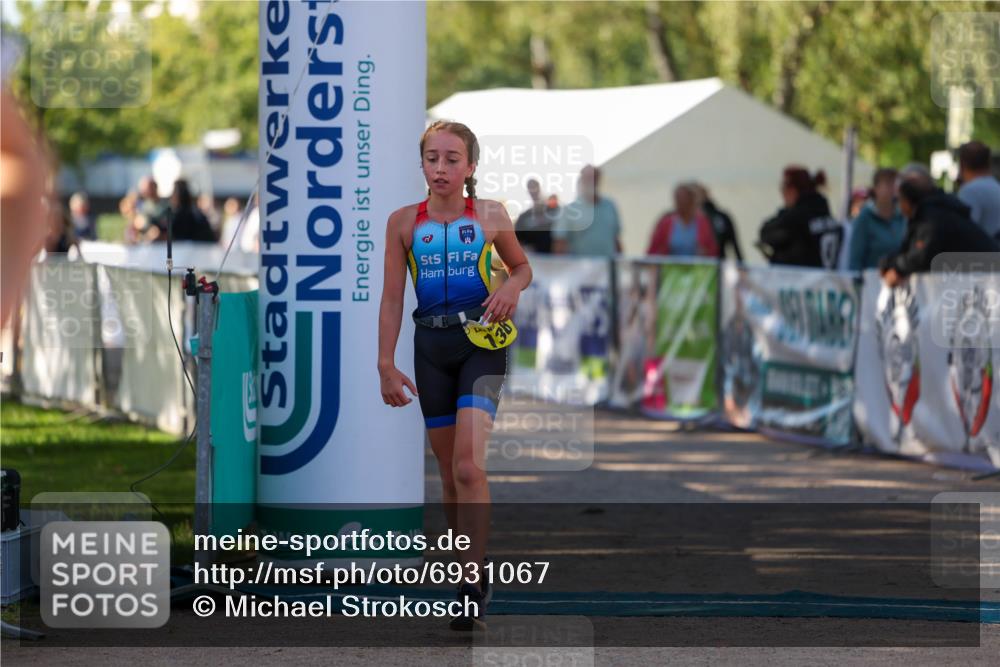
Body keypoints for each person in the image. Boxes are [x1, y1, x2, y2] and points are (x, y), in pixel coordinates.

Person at [377, 120, 532, 631]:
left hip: (481, 345)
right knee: (447, 475)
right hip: (430, 347)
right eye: (432, 158)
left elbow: (522, 268)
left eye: (451, 159)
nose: (440, 168)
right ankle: (468, 573)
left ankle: (472, 582)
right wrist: (385, 363)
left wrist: (511, 289)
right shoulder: (403, 222)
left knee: (468, 466)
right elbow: (394, 298)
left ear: (470, 167)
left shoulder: (490, 215)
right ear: (421, 163)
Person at [880, 173, 1000, 286]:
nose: (898, 206)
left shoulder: (933, 217)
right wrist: (889, 263)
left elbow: (921, 256)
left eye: (897, 200)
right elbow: (910, 250)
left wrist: (898, 268)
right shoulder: (929, 213)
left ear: (907, 199)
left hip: (989, 278)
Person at [758, 166, 841, 268]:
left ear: (792, 190)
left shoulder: (797, 217)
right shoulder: (824, 212)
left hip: (801, 281)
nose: (782, 193)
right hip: (827, 279)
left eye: (783, 188)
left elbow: (766, 233)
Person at [552, 165, 622, 257]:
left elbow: (615, 239)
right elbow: (560, 243)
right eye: (588, 178)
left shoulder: (610, 205)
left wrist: (620, 263)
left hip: (607, 267)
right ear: (581, 180)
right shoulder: (569, 210)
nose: (592, 182)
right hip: (580, 269)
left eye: (594, 178)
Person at [847, 168, 906, 271]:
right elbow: (855, 258)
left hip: (900, 282)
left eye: (895, 184)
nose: (893, 189)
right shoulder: (864, 218)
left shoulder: (903, 217)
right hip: (871, 282)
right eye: (888, 184)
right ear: (876, 188)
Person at [647, 183, 719, 257]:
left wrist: (705, 253)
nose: (681, 204)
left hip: (696, 267)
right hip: (670, 266)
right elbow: (653, 248)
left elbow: (712, 248)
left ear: (691, 201)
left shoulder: (703, 223)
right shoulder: (666, 223)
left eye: (684, 200)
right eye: (678, 200)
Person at [957, 140, 1000, 240]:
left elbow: (966, 233)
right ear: (988, 161)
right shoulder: (996, 187)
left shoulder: (970, 191)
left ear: (962, 164)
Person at [693, 183, 743, 261]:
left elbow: (734, 243)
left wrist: (741, 265)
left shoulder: (721, 217)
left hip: (717, 263)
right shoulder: (676, 219)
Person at [514, 178, 555, 253]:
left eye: (535, 187)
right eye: (531, 188)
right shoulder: (524, 217)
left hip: (556, 258)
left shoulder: (555, 211)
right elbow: (517, 241)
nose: (533, 191)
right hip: (535, 259)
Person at [136, 176, 168, 242]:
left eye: (148, 188)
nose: (145, 191)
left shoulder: (166, 205)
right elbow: (140, 223)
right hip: (148, 243)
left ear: (155, 187)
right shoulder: (143, 206)